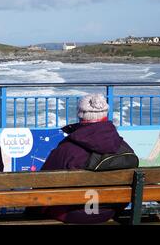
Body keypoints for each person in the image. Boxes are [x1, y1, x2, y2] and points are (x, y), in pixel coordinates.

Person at [36, 94, 135, 224]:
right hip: (108, 212)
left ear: (80, 115)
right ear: (105, 114)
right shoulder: (124, 148)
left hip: (71, 214)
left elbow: (42, 184)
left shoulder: (66, 149)